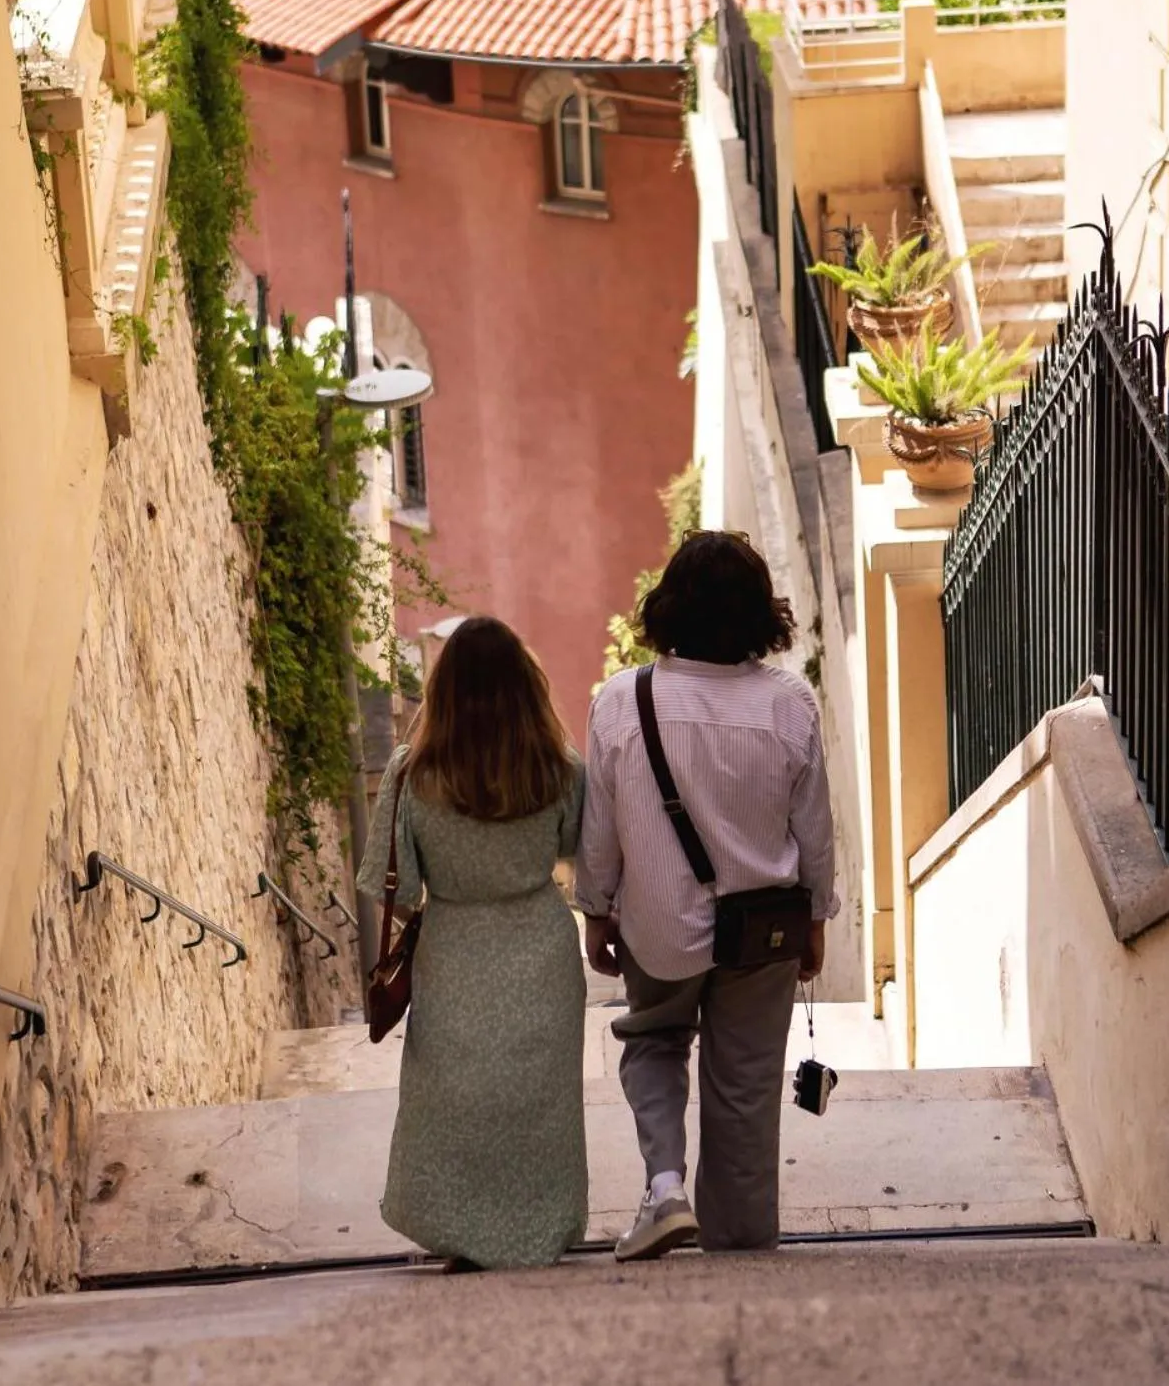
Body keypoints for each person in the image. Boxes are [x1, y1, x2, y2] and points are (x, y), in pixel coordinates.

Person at [575, 531, 837, 1261]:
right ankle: (742, 1237)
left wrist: (595, 908)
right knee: (747, 1082)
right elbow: (815, 829)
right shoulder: (790, 705)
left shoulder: (623, 700)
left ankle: (664, 1189)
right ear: (761, 612)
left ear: (668, 607)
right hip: (763, 929)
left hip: (657, 923)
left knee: (654, 1040)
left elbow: (600, 825)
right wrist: (817, 916)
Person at [357, 616, 587, 1271]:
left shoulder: (412, 773)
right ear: (526, 685)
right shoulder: (559, 769)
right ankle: (537, 1230)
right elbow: (582, 853)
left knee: (457, 1097)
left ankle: (464, 1231)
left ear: (445, 688)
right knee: (537, 1102)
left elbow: (391, 888)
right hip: (541, 948)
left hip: (454, 952)